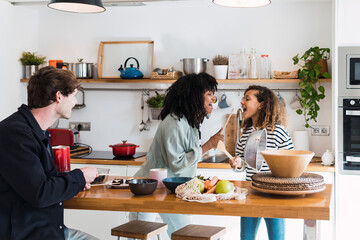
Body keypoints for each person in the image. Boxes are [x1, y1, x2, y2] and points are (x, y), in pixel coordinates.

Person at [0, 66, 99, 240]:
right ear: (59, 96)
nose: (75, 102)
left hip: (49, 229)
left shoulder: (35, 131)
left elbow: (42, 182)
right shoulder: (15, 134)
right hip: (28, 234)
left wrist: (75, 182)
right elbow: (40, 193)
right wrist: (80, 177)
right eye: (74, 95)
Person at [130, 72, 224, 237]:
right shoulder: (175, 122)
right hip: (148, 190)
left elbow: (187, 159)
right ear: (194, 96)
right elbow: (177, 162)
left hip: (169, 191)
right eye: (208, 94)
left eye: (213, 94)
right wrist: (209, 145)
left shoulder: (188, 122)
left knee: (185, 235)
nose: (213, 98)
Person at [229, 85, 294, 240]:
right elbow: (243, 163)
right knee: (246, 237)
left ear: (261, 104)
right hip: (250, 193)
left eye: (247, 98)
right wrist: (238, 164)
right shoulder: (245, 133)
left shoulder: (278, 131)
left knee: (276, 238)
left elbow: (291, 162)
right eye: (243, 98)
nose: (242, 102)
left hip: (274, 195)